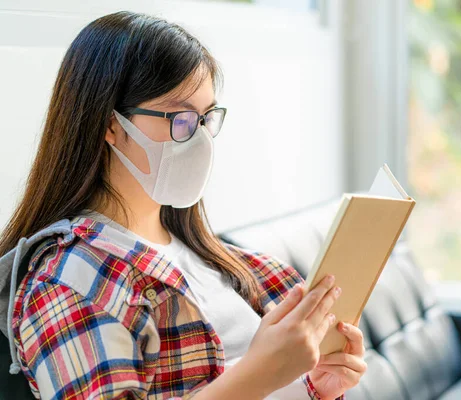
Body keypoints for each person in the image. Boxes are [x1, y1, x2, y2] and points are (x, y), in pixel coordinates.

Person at [0, 10, 367, 400]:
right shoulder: (72, 279)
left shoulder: (219, 260)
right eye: (180, 118)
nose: (200, 139)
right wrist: (258, 375)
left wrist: (313, 387)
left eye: (207, 118)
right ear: (110, 125)